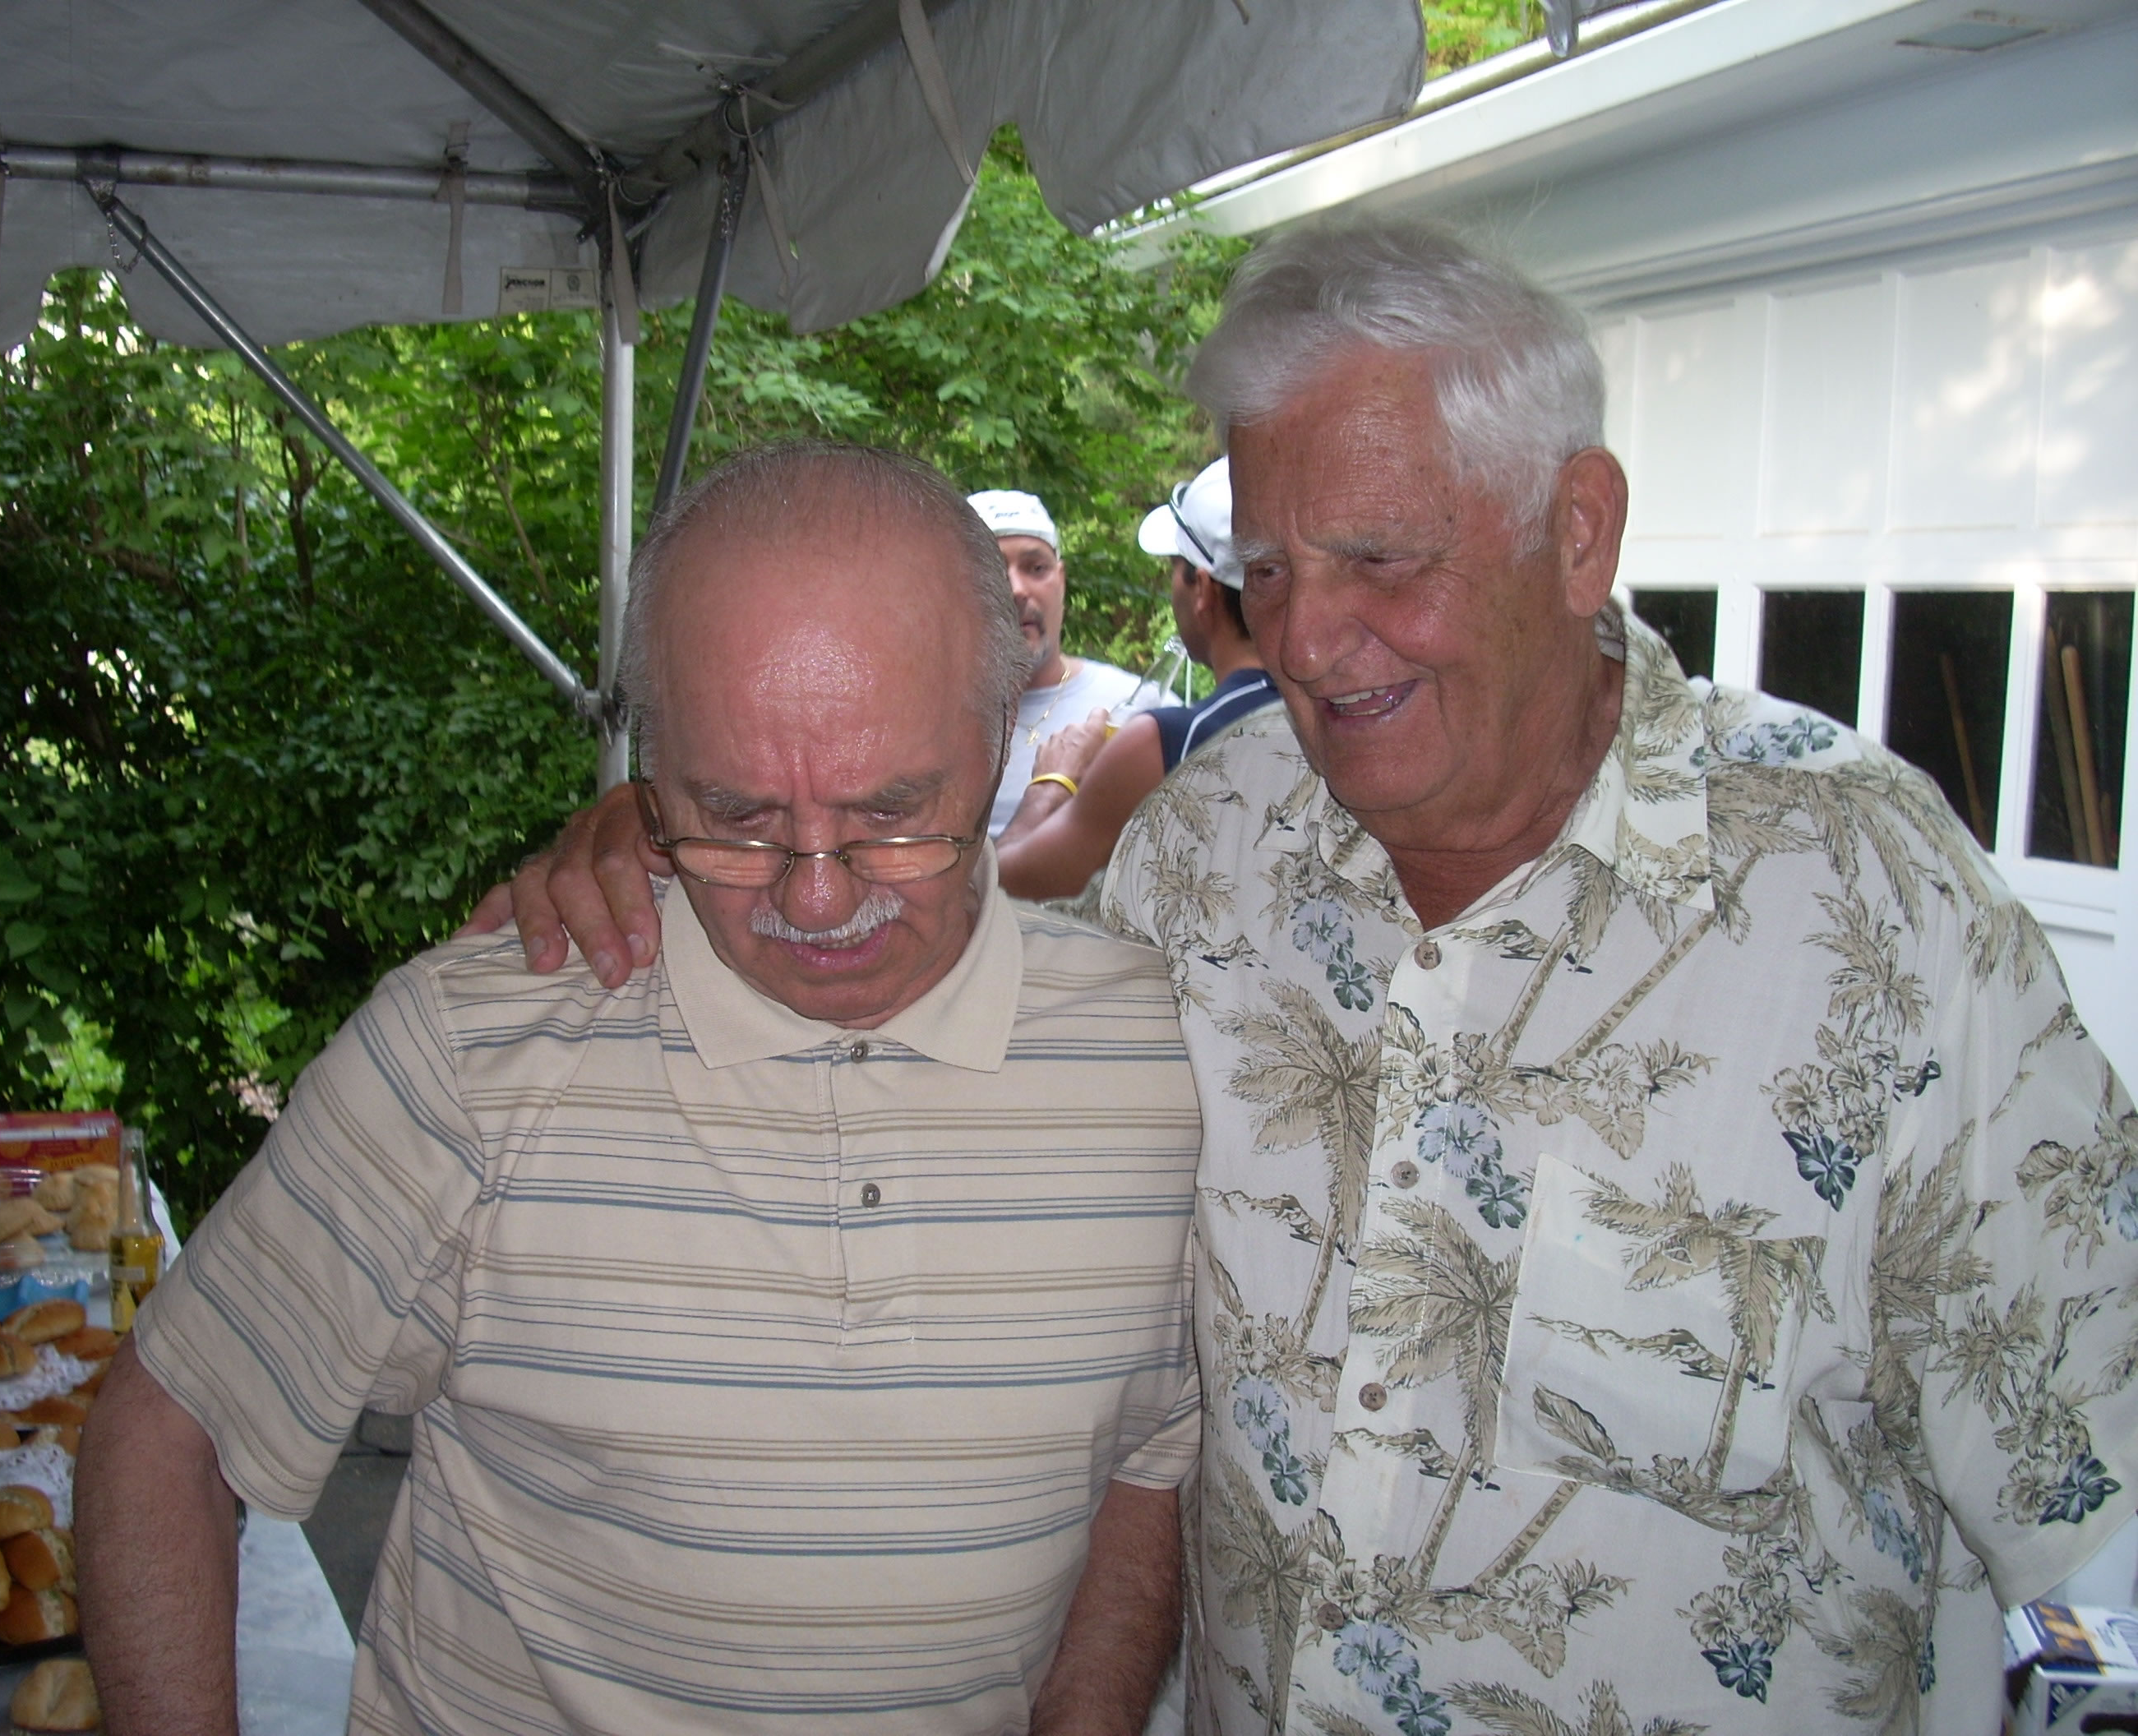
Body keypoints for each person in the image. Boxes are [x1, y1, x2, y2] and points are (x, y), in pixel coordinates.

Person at [472, 222, 2138, 1736]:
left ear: (1577, 533)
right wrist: (689, 829)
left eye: (1380, 561)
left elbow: (2099, 1502)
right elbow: (907, 988)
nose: (1308, 641)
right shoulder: (1208, 853)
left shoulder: (1866, 902)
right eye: (1267, 569)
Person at [75, 443, 1203, 1736]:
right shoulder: (476, 1054)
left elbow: (1147, 1456)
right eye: (737, 818)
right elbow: (166, 1434)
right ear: (649, 775)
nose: (815, 896)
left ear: (1001, 730)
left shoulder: (1155, 1058)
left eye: (893, 813)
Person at [995, 458, 1281, 901]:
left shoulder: (1165, 741)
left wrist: (1054, 783)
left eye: (1173, 568)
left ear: (1203, 590)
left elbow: (1003, 886)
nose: (1016, 589)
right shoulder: (1339, 708)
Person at [964, 488, 1161, 836]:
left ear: (1061, 581)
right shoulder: (922, 721)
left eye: (1036, 568)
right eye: (993, 571)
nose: (1017, 589)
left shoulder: (1138, 710)